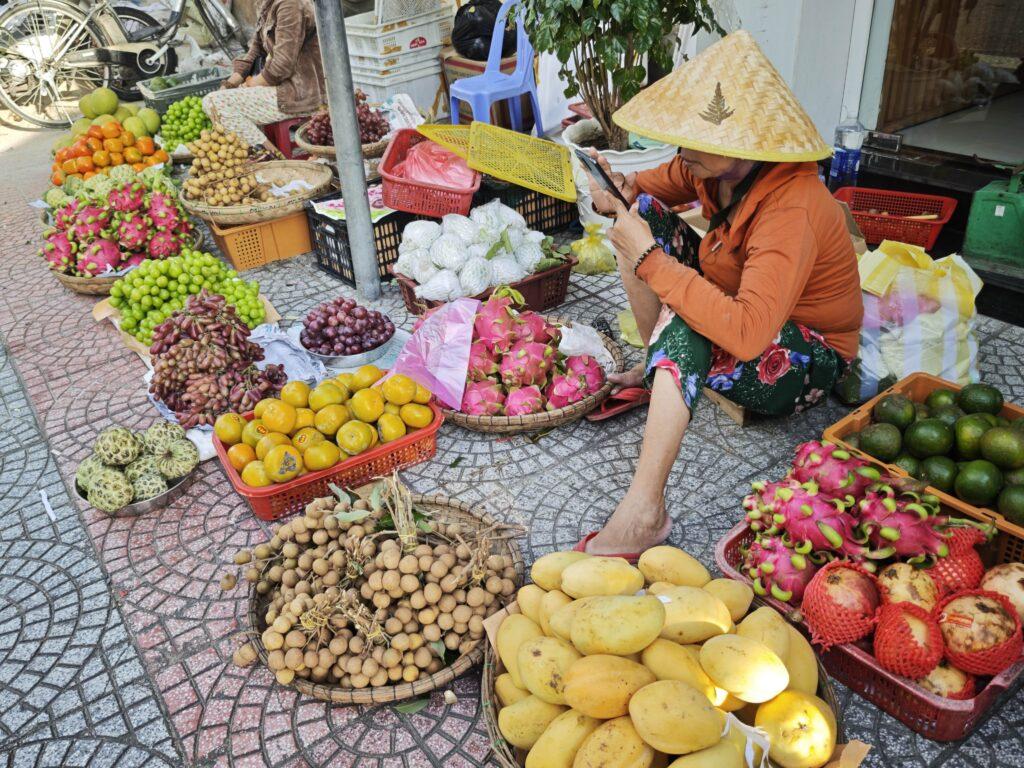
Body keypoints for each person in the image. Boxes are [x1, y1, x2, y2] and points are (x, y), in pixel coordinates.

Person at [577, 31, 863, 558]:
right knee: (641, 220)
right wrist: (618, 190)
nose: (683, 152)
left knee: (685, 315)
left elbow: (749, 334)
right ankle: (659, 366)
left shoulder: (792, 206)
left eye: (693, 140)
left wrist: (650, 260)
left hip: (807, 355)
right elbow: (646, 188)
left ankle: (645, 512)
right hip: (745, 311)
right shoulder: (709, 167)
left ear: (744, 143)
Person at [203, 0, 325, 152]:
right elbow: (255, 50)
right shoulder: (267, 4)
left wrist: (249, 85)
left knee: (214, 103)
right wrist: (230, 84)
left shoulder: (291, 5)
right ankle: (262, 155)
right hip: (283, 86)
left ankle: (274, 159)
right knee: (218, 98)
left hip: (301, 93)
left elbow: (282, 65)